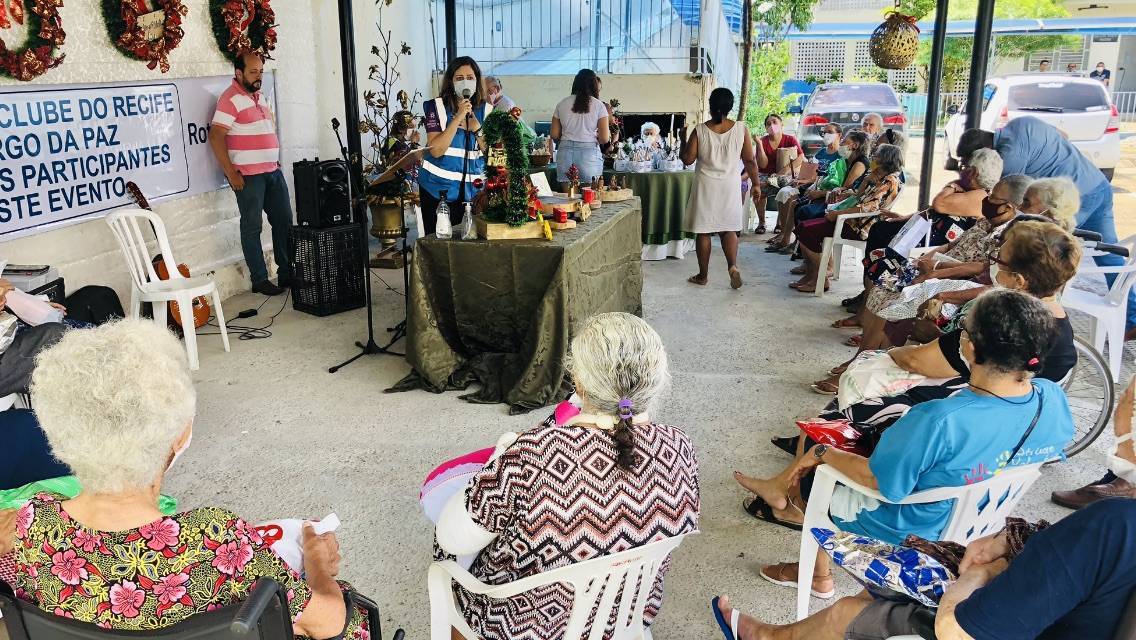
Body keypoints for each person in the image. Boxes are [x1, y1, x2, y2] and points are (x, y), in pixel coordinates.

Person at [5, 319, 368, 637]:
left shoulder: (33, 526)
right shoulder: (218, 542)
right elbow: (331, 623)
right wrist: (319, 564)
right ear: (179, 434)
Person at [734, 289, 1073, 600]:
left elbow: (882, 484)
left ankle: (816, 572)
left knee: (823, 459)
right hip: (982, 515)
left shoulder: (939, 418)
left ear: (969, 347)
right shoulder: (1052, 398)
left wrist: (822, 453)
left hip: (911, 521)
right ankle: (789, 505)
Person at [433, 312, 700, 640]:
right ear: (657, 380)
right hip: (623, 615)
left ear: (578, 382)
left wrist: (500, 461)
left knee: (447, 558)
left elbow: (452, 538)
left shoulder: (533, 455)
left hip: (525, 628)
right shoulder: (680, 446)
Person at [788, 220, 1082, 450]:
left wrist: (901, 347)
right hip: (1003, 423)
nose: (991, 264)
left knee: (869, 377)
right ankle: (814, 441)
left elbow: (919, 362)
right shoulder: (1059, 327)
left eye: (997, 260)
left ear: (1018, 280)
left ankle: (814, 460)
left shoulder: (999, 320)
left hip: (958, 419)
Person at [711, 498, 1136, 640]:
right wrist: (1010, 540)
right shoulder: (1048, 405)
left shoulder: (1114, 524)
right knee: (875, 595)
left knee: (860, 608)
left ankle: (770, 637)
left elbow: (958, 632)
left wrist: (983, 573)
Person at [956, 117, 1132, 335]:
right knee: (1109, 253)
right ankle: (1133, 317)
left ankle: (1040, 316)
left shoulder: (1009, 157)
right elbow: (1063, 135)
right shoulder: (1021, 123)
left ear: (985, 151)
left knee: (1047, 255)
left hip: (1072, 196)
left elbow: (1009, 196)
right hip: (1097, 182)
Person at [209, 52, 292, 296]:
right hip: (248, 176)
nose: (258, 77)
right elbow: (215, 136)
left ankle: (287, 273)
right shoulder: (229, 99)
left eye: (261, 72)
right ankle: (260, 279)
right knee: (252, 227)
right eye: (253, 72)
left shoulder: (259, 96)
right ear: (239, 73)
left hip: (272, 172)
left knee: (284, 222)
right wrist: (231, 173)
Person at [791, 143, 903, 294]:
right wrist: (866, 180)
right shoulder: (877, 176)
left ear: (885, 159)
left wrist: (837, 214)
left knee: (807, 231)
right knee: (802, 227)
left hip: (857, 225)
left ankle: (820, 278)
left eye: (876, 156)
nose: (873, 158)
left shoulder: (889, 180)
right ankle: (811, 275)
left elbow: (870, 207)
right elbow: (858, 196)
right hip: (849, 219)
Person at [682, 88, 760, 289]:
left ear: (710, 105)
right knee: (729, 229)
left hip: (705, 186)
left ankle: (703, 275)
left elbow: (688, 160)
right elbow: (750, 160)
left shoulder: (700, 130)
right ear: (730, 106)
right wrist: (757, 184)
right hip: (730, 186)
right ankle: (732, 267)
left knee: (704, 232)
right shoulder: (741, 129)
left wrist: (683, 138)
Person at [420, 56, 491, 236]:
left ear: (477, 80)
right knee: (438, 247)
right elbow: (436, 150)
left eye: (470, 77)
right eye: (459, 78)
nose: (465, 81)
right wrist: (458, 117)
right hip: (436, 192)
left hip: (473, 195)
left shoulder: (487, 111)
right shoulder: (435, 107)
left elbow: (495, 155)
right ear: (450, 82)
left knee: (469, 248)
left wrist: (477, 129)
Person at [766, 124, 846, 250]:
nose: (826, 135)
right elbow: (810, 171)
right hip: (809, 184)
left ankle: (789, 238)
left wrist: (809, 181)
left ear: (839, 135)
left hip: (821, 188)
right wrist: (801, 179)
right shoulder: (821, 152)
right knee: (783, 191)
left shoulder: (841, 155)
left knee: (791, 197)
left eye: (830, 132)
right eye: (824, 132)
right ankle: (783, 234)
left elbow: (835, 179)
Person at [551, 68, 611, 185]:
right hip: (589, 155)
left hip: (565, 153)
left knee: (569, 198)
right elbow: (604, 138)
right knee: (589, 198)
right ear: (594, 85)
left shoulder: (562, 103)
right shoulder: (599, 106)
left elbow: (554, 134)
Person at [753, 114, 804, 234]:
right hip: (766, 174)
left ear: (781, 125)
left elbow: (800, 157)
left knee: (785, 186)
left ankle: (780, 223)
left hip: (783, 174)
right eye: (768, 124)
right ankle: (761, 222)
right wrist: (759, 145)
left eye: (775, 122)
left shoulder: (790, 139)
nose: (772, 126)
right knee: (759, 187)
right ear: (766, 128)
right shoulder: (764, 141)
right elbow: (763, 165)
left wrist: (783, 172)